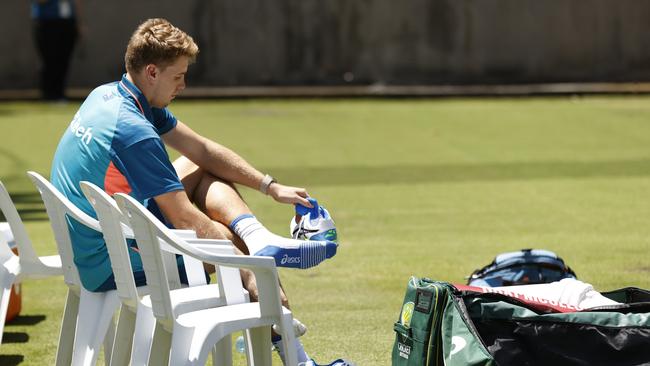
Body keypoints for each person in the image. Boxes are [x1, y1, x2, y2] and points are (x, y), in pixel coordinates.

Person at [50, 18, 345, 365]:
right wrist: (252, 265)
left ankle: (257, 237)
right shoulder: (134, 131)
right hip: (110, 259)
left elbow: (201, 151)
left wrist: (271, 187)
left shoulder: (110, 94)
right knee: (226, 239)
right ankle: (291, 348)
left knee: (202, 170)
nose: (184, 85)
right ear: (152, 73)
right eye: (178, 76)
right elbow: (183, 218)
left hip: (92, 237)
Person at [31, 0, 82, 101]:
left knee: (64, 59)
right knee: (50, 59)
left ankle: (59, 93)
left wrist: (79, 23)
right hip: (47, 21)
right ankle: (48, 94)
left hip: (68, 21)